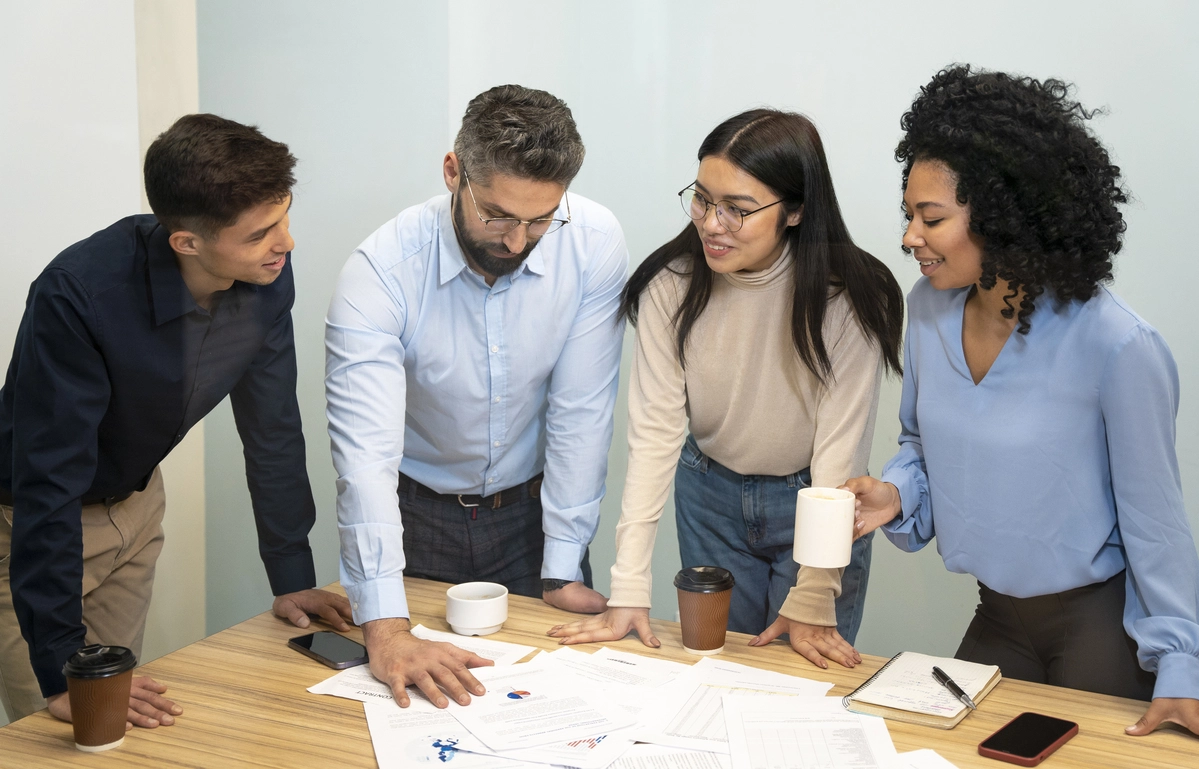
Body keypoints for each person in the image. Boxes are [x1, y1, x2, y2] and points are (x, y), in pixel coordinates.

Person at [847, 65, 1199, 737]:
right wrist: (894, 494)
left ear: (1005, 217)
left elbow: (1155, 524)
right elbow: (921, 445)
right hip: (997, 617)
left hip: (1098, 627)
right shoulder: (926, 311)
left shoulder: (1117, 345)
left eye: (931, 218)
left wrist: (1179, 664)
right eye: (908, 215)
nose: (908, 237)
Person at [0, 114, 351, 728]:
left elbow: (272, 427)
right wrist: (61, 667)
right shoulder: (78, 295)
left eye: (285, 216)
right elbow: (48, 481)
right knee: (68, 728)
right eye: (262, 232)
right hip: (29, 526)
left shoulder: (265, 273)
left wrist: (291, 575)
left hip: (135, 509)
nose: (286, 243)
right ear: (187, 242)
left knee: (124, 729)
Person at [548, 109, 904, 668]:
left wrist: (814, 591)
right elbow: (655, 436)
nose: (712, 223)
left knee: (797, 677)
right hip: (709, 496)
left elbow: (841, 451)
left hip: (815, 502)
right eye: (702, 199)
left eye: (738, 210)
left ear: (796, 210)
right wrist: (629, 587)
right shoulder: (671, 284)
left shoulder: (849, 296)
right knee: (718, 671)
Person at [325, 85, 628, 709]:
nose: (517, 241)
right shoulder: (380, 271)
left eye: (540, 219)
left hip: (533, 516)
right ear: (452, 172)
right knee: (417, 705)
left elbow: (581, 412)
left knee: (559, 709)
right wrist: (383, 626)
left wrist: (563, 563)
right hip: (419, 516)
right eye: (496, 215)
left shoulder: (593, 242)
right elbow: (366, 460)